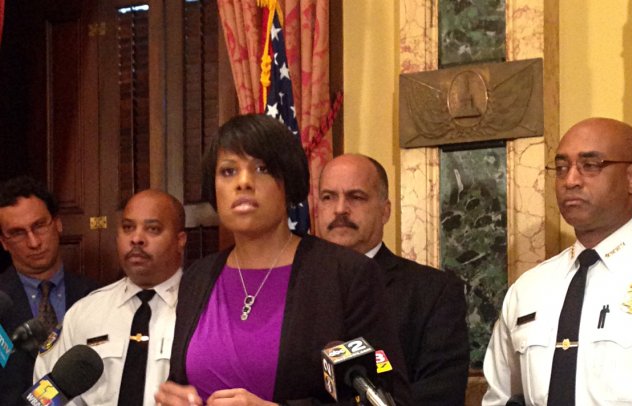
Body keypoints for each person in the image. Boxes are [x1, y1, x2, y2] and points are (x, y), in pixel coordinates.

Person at [155, 114, 412, 406]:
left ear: (288, 183)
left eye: (262, 169)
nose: (243, 182)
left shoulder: (347, 275)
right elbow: (181, 381)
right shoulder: (198, 277)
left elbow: (388, 396)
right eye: (228, 171)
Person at [482, 118, 632, 405]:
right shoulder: (528, 290)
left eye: (590, 165)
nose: (570, 180)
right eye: (561, 168)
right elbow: (499, 397)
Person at [316, 154, 469, 406]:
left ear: (385, 211)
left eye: (356, 197)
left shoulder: (433, 292)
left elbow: (439, 395)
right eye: (328, 197)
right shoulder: (294, 287)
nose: (340, 209)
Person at [34, 189, 187, 406]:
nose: (136, 238)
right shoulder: (85, 312)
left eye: (152, 229)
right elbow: (43, 396)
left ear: (180, 240)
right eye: (127, 228)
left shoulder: (204, 310)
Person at [0, 176, 97, 406]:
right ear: (4, 242)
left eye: (39, 226)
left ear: (58, 223)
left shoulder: (94, 295)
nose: (33, 242)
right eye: (18, 233)